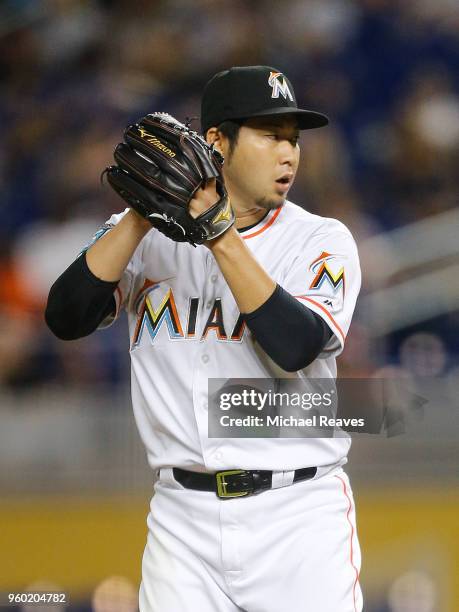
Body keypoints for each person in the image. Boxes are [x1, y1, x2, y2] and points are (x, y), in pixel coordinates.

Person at [45, 65, 363, 612]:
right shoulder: (141, 240)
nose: (289, 153)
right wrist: (140, 216)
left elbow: (295, 347)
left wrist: (216, 229)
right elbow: (65, 316)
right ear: (216, 141)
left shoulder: (320, 240)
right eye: (270, 136)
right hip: (180, 518)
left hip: (298, 516)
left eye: (293, 139)